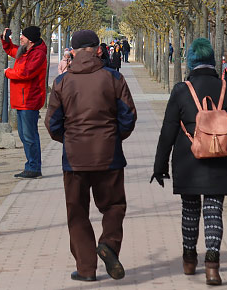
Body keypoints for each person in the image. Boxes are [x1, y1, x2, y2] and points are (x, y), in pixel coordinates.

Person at [152, 38, 227, 286]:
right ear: (212, 61)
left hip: (188, 160)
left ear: (190, 61)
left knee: (190, 210)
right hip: (222, 160)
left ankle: (189, 260)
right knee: (214, 212)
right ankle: (212, 268)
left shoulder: (181, 90)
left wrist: (160, 166)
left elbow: (168, 130)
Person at [46, 29, 137, 282]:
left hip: (74, 157)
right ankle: (108, 244)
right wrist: (113, 137)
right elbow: (128, 117)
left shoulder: (61, 82)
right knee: (114, 205)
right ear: (98, 49)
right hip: (109, 155)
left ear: (72, 52)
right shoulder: (114, 78)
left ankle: (86, 268)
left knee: (77, 212)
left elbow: (52, 124)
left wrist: (70, 138)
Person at [1, 25, 47, 179]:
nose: (20, 38)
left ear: (31, 41)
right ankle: (31, 166)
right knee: (24, 135)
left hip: (29, 100)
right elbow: (10, 50)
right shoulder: (26, 51)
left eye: (23, 36)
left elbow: (24, 73)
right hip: (22, 101)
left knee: (29, 136)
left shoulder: (38, 55)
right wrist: (5, 39)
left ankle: (34, 168)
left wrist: (8, 72)